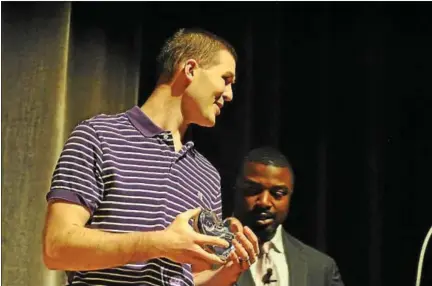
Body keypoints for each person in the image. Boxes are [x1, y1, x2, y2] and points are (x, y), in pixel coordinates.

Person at [42, 28, 259, 286]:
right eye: (226, 79)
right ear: (190, 69)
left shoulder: (207, 175)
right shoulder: (98, 137)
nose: (230, 94)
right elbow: (56, 247)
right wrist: (158, 243)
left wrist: (227, 272)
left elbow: (189, 277)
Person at [233, 146, 344, 286]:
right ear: (236, 188)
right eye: (253, 190)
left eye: (277, 193)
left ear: (290, 196)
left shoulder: (320, 268)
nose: (264, 202)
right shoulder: (207, 253)